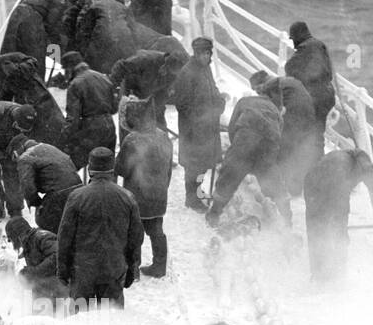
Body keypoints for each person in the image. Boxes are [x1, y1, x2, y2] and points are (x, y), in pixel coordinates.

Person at [57, 147, 144, 307]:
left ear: (90, 170)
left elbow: (65, 237)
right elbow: (135, 238)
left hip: (83, 271)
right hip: (114, 269)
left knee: (81, 318)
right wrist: (132, 270)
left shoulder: (77, 197)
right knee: (112, 318)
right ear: (112, 170)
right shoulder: (127, 197)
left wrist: (63, 270)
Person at [302, 148, 373, 282]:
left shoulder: (354, 163)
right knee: (321, 229)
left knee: (325, 230)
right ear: (357, 165)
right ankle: (326, 274)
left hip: (316, 184)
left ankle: (328, 272)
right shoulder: (344, 167)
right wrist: (341, 229)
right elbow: (341, 203)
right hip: (316, 188)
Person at [206, 74, 282, 225]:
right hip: (267, 148)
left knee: (228, 178)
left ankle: (214, 214)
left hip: (244, 143)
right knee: (270, 181)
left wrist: (236, 149)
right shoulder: (275, 110)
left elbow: (232, 128)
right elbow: (278, 136)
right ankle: (280, 217)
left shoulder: (244, 102)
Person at [115, 100, 173, 277]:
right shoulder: (163, 136)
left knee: (133, 233)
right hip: (159, 193)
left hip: (137, 195)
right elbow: (169, 168)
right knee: (156, 231)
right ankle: (159, 266)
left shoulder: (133, 140)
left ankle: (132, 269)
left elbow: (122, 169)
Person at [170, 36, 225, 211]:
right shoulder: (187, 73)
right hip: (193, 130)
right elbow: (182, 104)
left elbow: (213, 89)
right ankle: (191, 198)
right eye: (202, 54)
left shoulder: (206, 69)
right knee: (193, 164)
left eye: (208, 53)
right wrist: (199, 119)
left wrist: (219, 102)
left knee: (204, 164)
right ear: (196, 53)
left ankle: (198, 191)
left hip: (208, 127)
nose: (206, 57)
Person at [0, 54, 64, 145]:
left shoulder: (7, 59)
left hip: (40, 98)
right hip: (24, 107)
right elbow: (3, 95)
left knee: (56, 125)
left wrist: (18, 71)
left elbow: (34, 62)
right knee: (37, 132)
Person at [261, 73, 319, 199]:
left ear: (262, 84)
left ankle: (279, 189)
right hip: (308, 119)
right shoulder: (289, 81)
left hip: (294, 120)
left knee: (283, 151)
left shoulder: (270, 87)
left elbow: (271, 111)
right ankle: (296, 188)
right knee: (296, 153)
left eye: (256, 88)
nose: (257, 92)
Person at [283, 21, 336, 150]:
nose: (293, 43)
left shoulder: (306, 47)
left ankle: (307, 158)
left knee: (307, 132)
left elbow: (289, 67)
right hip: (327, 95)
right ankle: (316, 158)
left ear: (298, 36)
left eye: (293, 39)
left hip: (316, 98)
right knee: (317, 132)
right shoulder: (320, 45)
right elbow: (328, 73)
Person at [60, 52, 118, 169]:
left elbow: (73, 120)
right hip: (110, 127)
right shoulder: (103, 78)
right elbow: (114, 108)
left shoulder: (75, 84)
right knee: (105, 167)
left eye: (65, 69)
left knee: (68, 165)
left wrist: (63, 138)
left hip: (91, 130)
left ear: (70, 67)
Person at [13, 137, 81, 232]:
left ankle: (55, 240)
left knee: (43, 220)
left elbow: (27, 187)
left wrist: (36, 202)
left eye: (14, 156)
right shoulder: (49, 147)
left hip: (60, 194)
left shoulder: (25, 157)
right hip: (78, 190)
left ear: (19, 149)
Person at [109, 45, 185, 129]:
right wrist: (114, 89)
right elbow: (121, 66)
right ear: (165, 64)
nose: (167, 74)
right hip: (131, 95)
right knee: (131, 127)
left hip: (150, 97)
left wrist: (154, 110)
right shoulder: (145, 59)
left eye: (172, 73)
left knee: (159, 128)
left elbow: (164, 92)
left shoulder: (175, 73)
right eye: (167, 71)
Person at [0, 0, 82, 64]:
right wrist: (59, 44)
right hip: (30, 18)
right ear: (70, 1)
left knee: (11, 49)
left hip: (16, 14)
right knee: (36, 55)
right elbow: (52, 26)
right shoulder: (60, 2)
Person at [72, 0, 137, 74]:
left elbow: (84, 32)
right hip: (125, 48)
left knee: (95, 69)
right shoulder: (124, 8)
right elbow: (134, 30)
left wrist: (83, 51)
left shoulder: (94, 6)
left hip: (101, 48)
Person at [4, 215, 65, 304]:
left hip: (60, 289)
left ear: (18, 235)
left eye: (11, 239)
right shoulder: (29, 243)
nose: (11, 242)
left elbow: (58, 256)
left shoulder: (41, 237)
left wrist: (34, 271)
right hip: (48, 290)